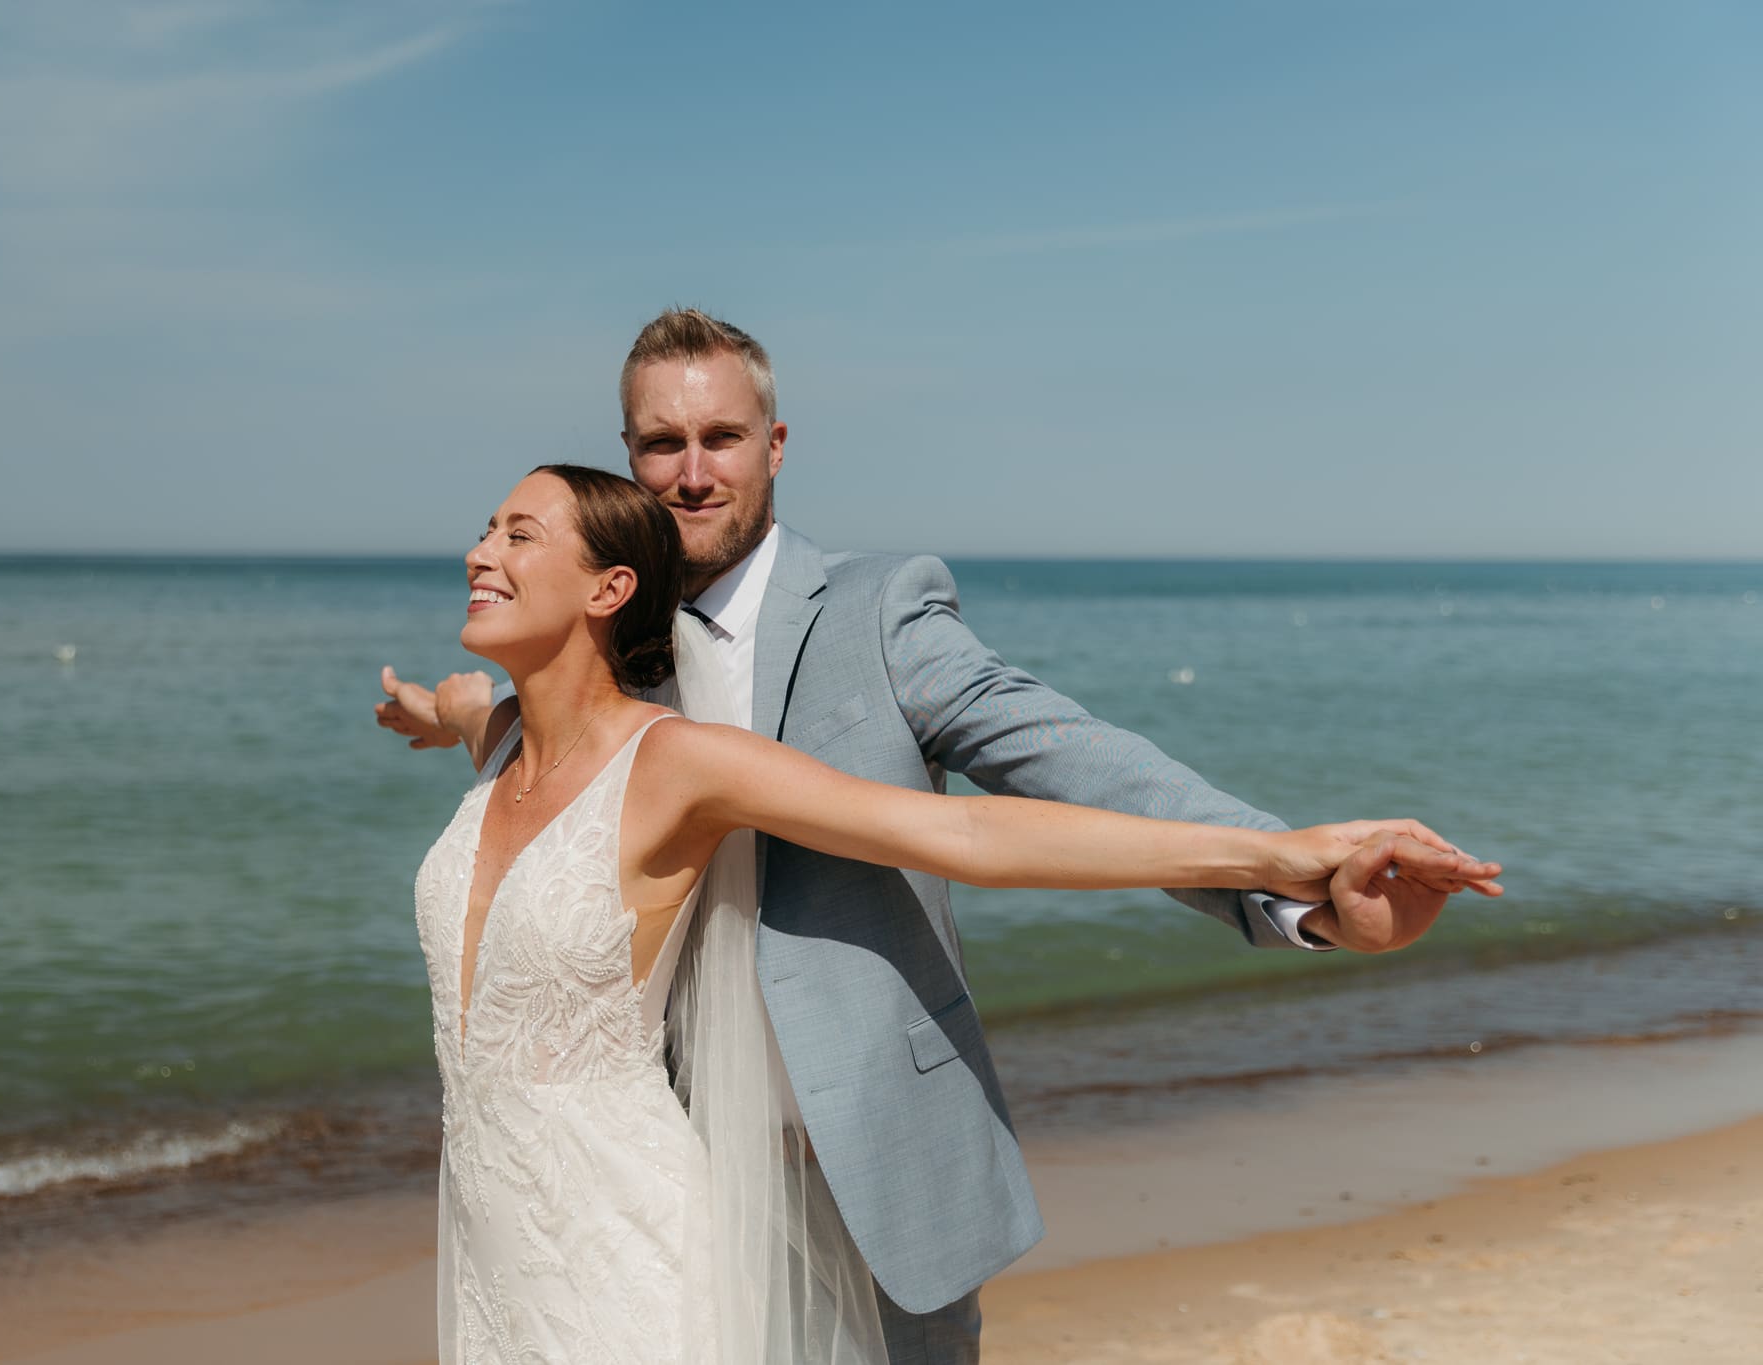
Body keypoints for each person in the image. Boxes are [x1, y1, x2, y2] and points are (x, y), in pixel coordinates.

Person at [386, 311, 1498, 1363]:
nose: (691, 472)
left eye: (719, 438)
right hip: (652, 1162)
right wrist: (448, 715)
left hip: (866, 1157)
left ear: (773, 445)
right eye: (660, 444)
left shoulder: (878, 611)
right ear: (628, 458)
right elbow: (535, 735)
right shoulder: (612, 644)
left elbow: (1070, 768)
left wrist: (1294, 876)